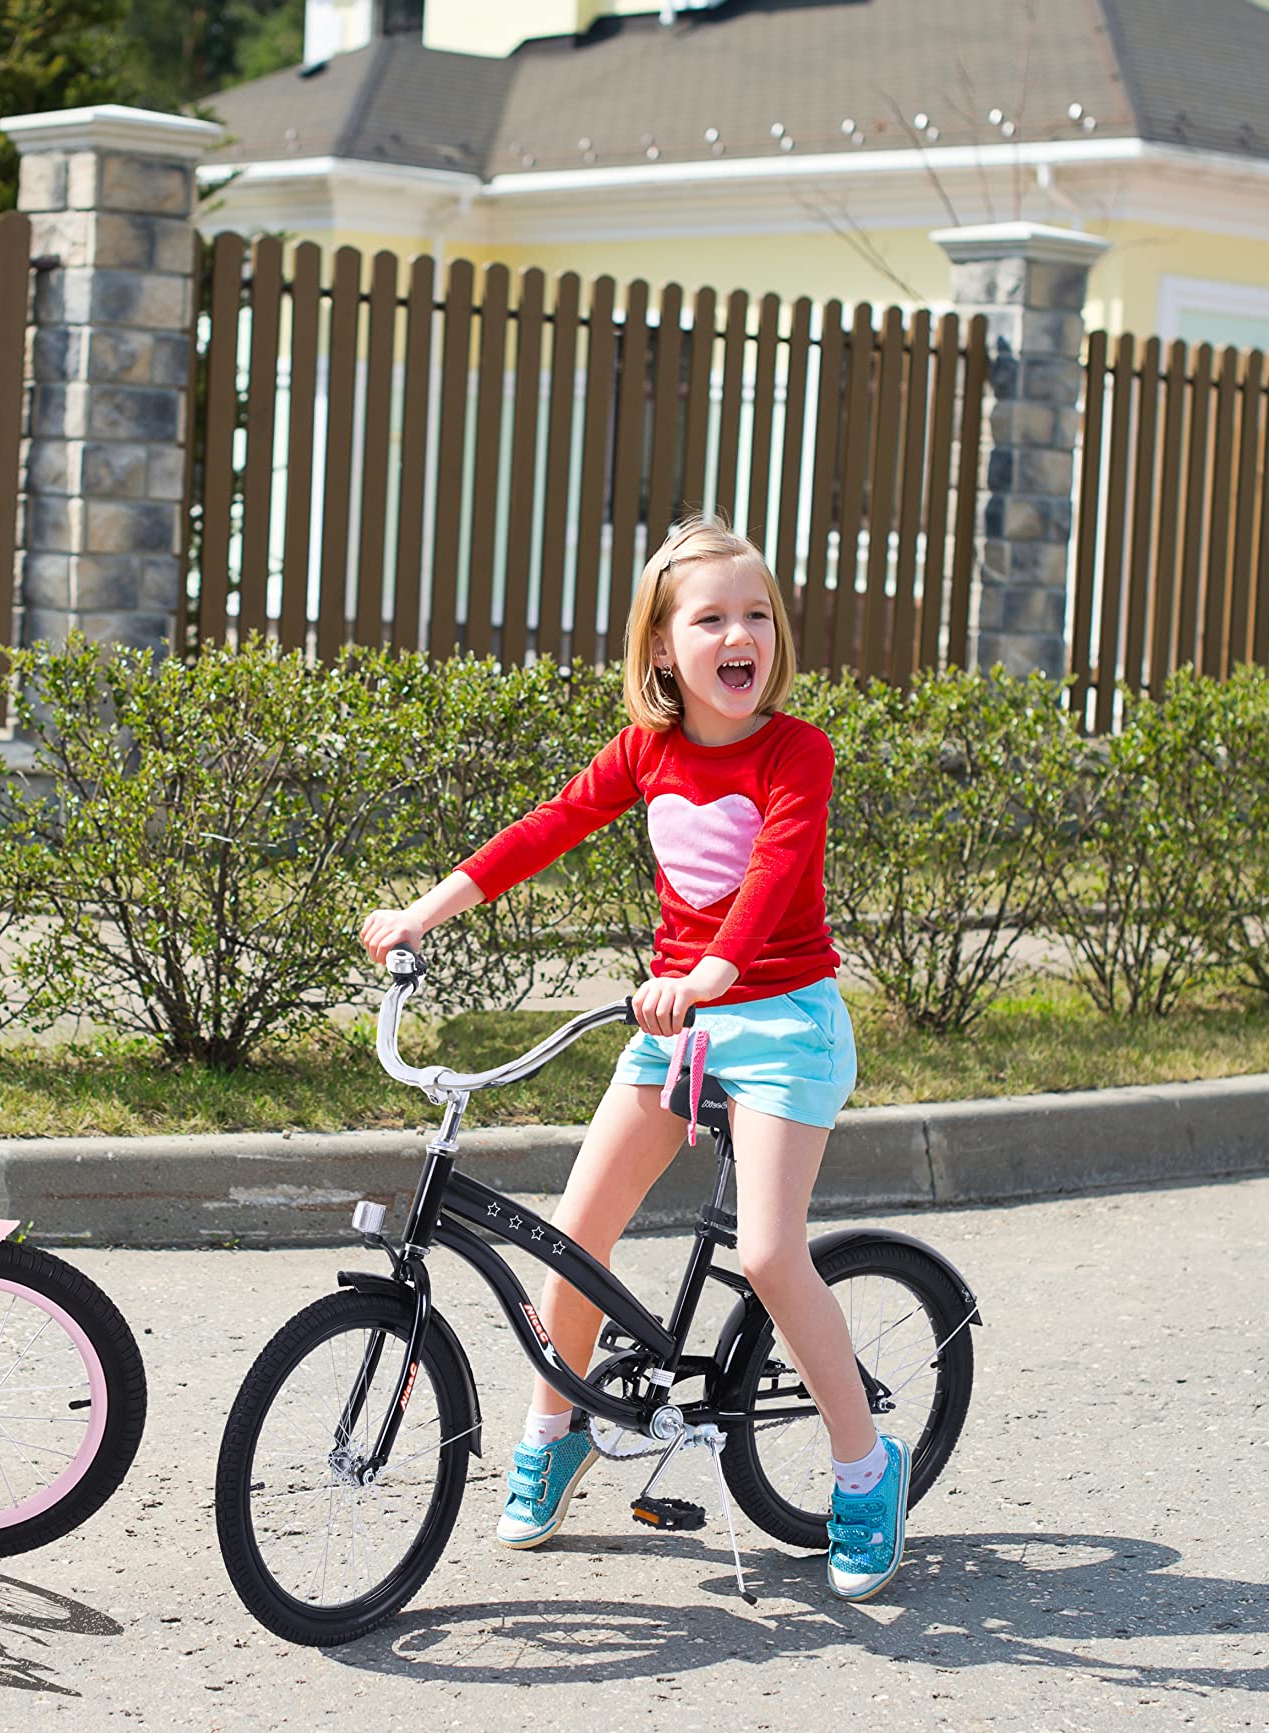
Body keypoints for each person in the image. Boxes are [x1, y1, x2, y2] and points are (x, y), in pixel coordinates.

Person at [359, 516, 904, 1601]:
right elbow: (546, 827)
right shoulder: (649, 749)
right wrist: (423, 910)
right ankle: (554, 1430)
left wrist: (708, 975)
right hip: (678, 1028)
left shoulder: (795, 750)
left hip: (783, 1017)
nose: (739, 634)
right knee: (575, 1237)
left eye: (756, 615)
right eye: (710, 618)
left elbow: (773, 873)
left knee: (766, 1251)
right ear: (663, 648)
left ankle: (862, 1466)